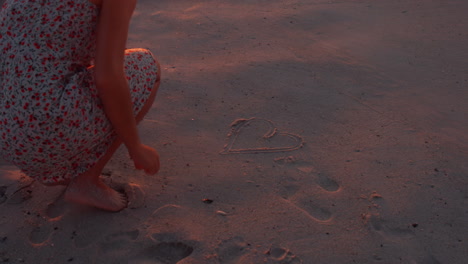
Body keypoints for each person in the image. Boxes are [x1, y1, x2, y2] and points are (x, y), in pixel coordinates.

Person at [0, 0, 161, 211]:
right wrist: (135, 147)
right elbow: (108, 78)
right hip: (39, 133)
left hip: (6, 133)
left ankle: (50, 161)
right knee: (147, 66)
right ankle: (87, 180)